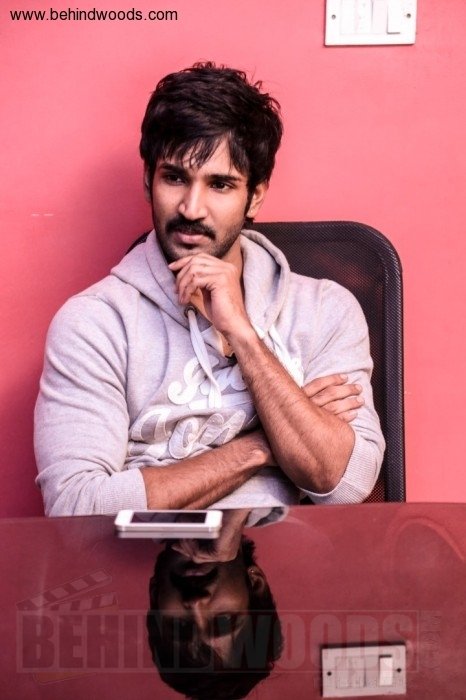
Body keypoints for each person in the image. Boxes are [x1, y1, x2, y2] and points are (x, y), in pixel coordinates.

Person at [34, 62, 385, 516]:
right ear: (148, 181)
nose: (191, 208)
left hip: (282, 549)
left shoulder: (325, 309)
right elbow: (76, 509)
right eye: (175, 177)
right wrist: (261, 445)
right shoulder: (95, 323)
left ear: (255, 195)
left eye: (220, 184)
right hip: (143, 552)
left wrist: (243, 335)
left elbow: (346, 485)